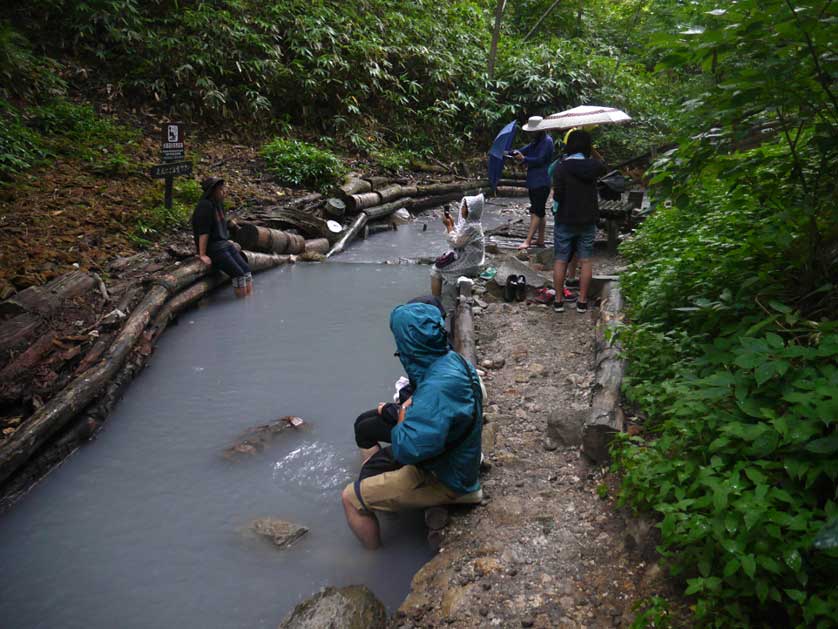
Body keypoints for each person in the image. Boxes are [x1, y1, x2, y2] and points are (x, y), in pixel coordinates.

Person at [341, 302, 483, 550]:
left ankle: (374, 561)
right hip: (454, 460)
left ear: (410, 343)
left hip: (447, 478)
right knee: (371, 441)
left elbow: (408, 450)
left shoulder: (437, 387)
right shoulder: (450, 361)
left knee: (350, 499)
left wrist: (403, 413)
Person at [550, 129, 606, 313]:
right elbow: (603, 164)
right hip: (587, 220)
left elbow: (558, 194)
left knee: (560, 260)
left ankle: (558, 301)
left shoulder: (561, 166)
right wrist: (593, 150)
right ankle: (582, 302)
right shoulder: (593, 166)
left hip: (565, 218)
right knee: (586, 260)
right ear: (587, 146)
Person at [191, 177, 252, 298]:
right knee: (238, 274)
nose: (224, 191)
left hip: (223, 244)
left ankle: (249, 302)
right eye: (220, 189)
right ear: (212, 191)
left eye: (223, 188)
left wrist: (227, 238)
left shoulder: (218, 204)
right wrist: (202, 254)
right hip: (214, 248)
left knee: (246, 270)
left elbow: (221, 225)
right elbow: (203, 232)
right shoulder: (205, 206)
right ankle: (243, 306)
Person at [430, 193, 485, 306]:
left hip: (470, 263)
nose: (462, 209)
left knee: (435, 270)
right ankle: (439, 299)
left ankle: (435, 303)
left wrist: (449, 226)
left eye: (465, 207)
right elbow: (459, 237)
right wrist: (452, 224)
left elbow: (456, 243)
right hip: (467, 257)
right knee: (440, 264)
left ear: (471, 210)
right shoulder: (471, 223)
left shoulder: (472, 227)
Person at [511, 116, 554, 250]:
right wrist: (513, 153)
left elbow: (540, 159)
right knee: (539, 211)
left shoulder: (547, 141)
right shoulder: (536, 142)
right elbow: (523, 150)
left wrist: (524, 158)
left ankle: (528, 240)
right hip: (534, 181)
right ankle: (540, 239)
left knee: (536, 211)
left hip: (542, 181)